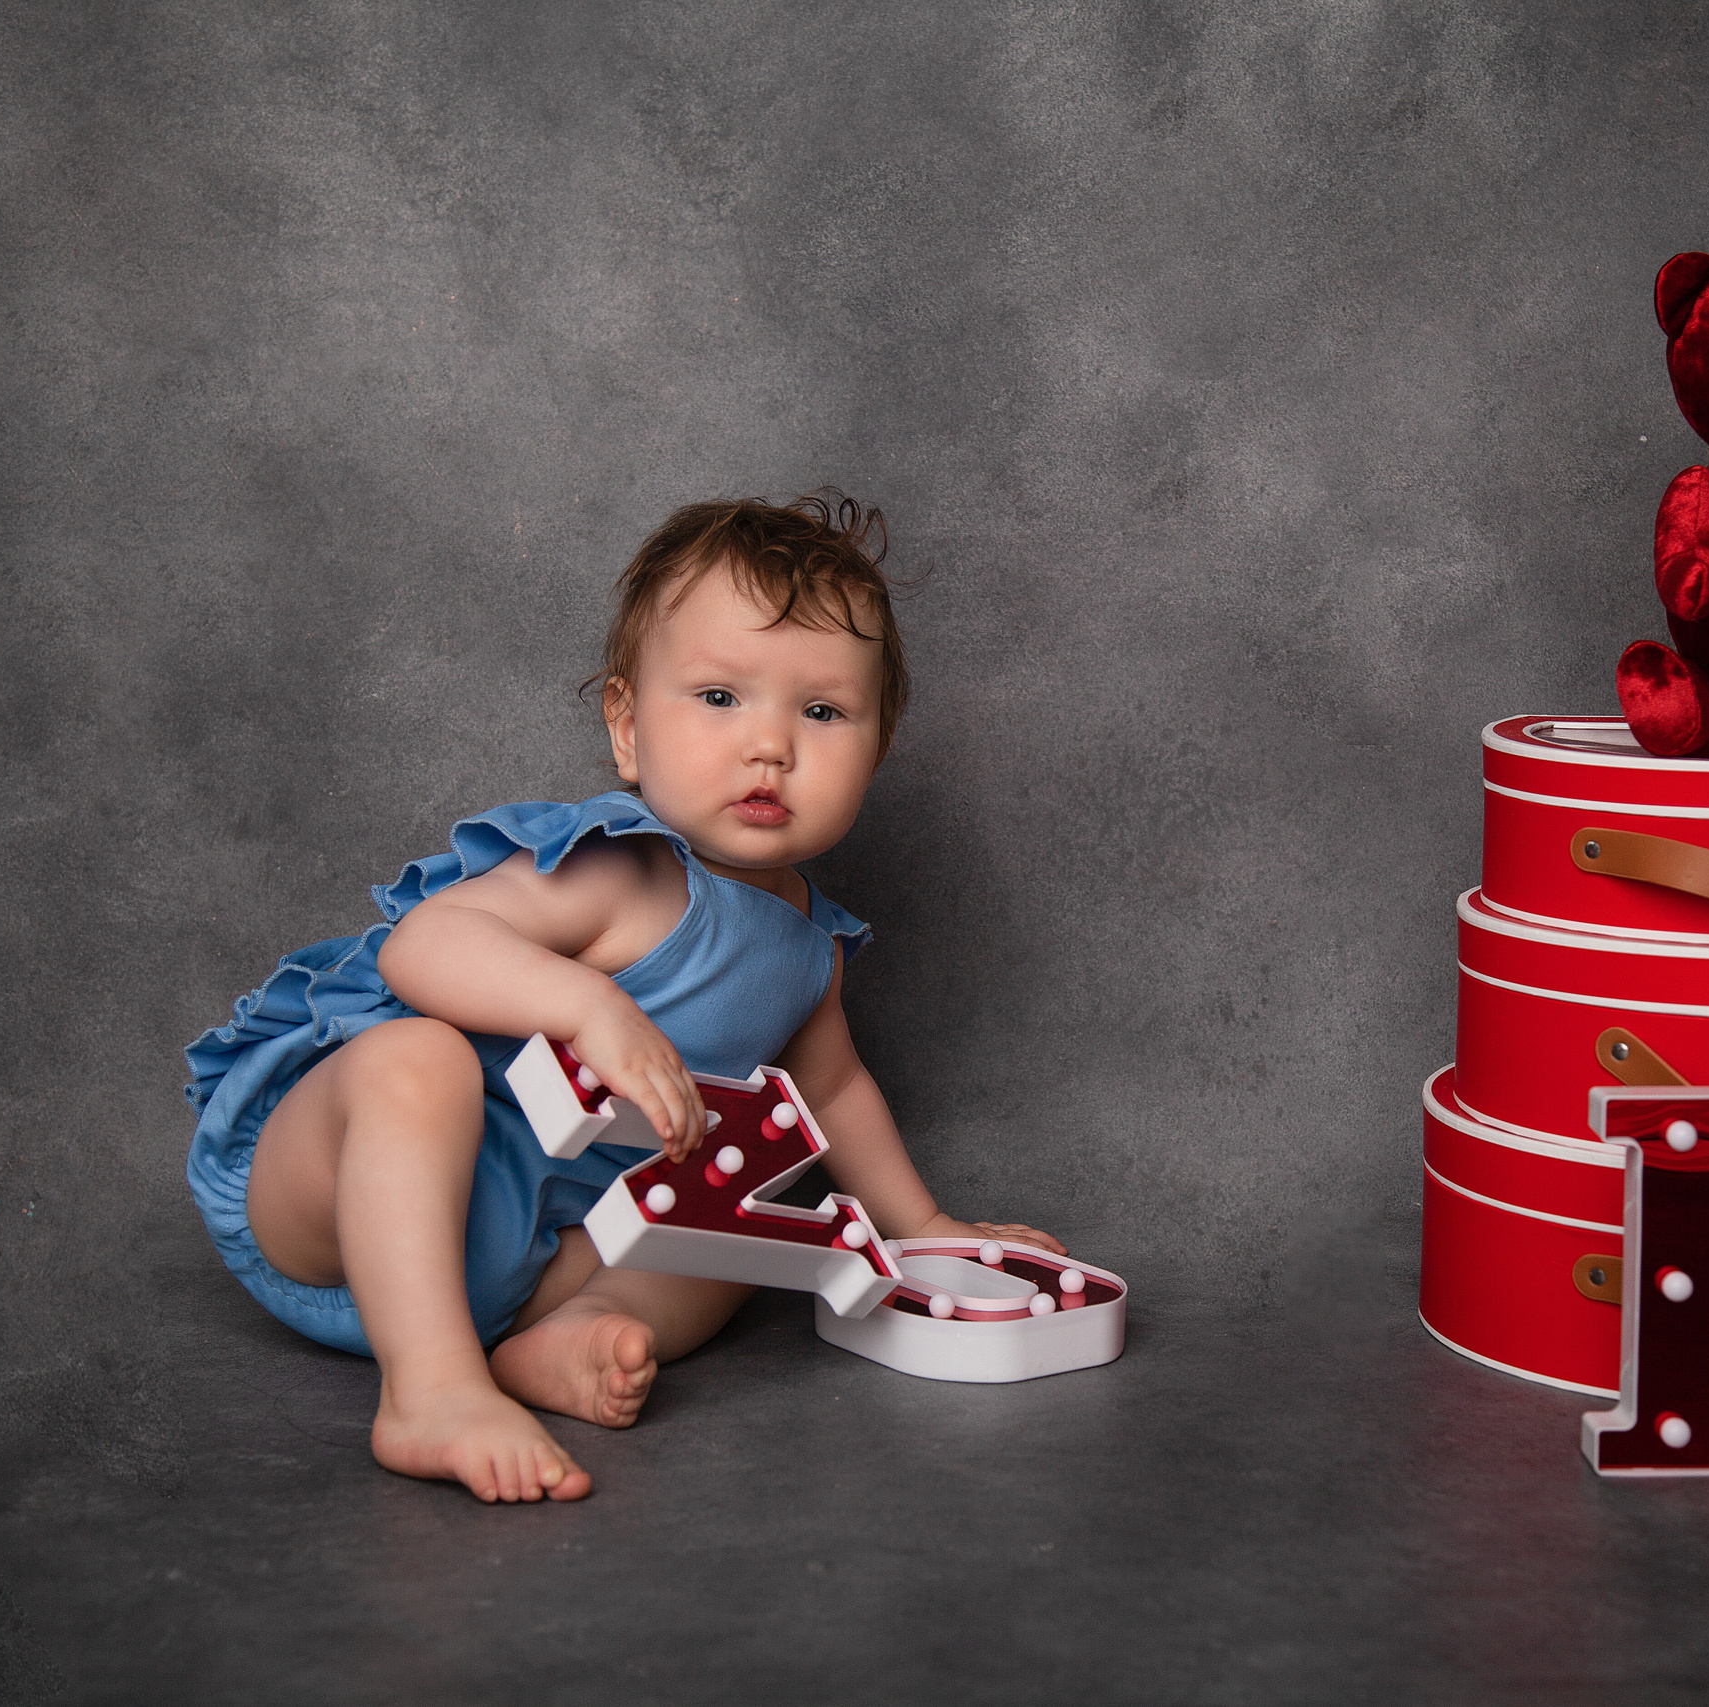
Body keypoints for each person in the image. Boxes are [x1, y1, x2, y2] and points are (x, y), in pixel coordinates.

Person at [184, 493, 1062, 1504]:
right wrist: (584, 1005)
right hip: (339, 1214)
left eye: (820, 712)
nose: (768, 744)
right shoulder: (623, 875)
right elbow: (427, 945)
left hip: (526, 1262)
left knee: (749, 1226)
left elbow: (837, 1096)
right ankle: (429, 1390)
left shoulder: (810, 951)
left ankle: (563, 1339)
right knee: (415, 1059)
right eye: (720, 698)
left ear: (876, 747)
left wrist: (922, 1223)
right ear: (627, 725)